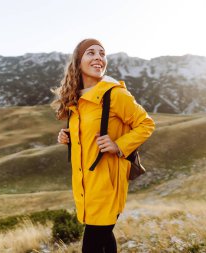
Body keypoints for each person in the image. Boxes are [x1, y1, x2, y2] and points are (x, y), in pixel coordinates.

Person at [52, 38, 155, 252]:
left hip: (108, 182)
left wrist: (119, 145)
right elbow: (90, 130)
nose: (99, 57)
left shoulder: (115, 94)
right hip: (85, 183)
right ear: (78, 62)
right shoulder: (75, 100)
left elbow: (146, 123)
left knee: (91, 246)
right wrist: (68, 136)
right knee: (104, 240)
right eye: (91, 53)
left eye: (102, 53)